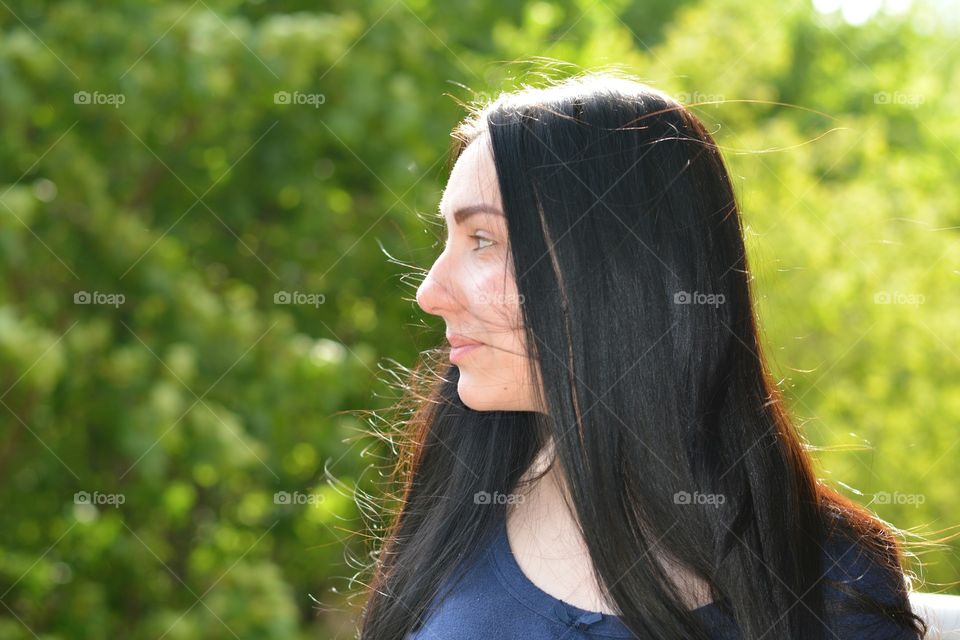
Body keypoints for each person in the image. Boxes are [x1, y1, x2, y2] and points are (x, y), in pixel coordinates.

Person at [357, 71, 927, 640]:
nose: (429, 293)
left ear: (617, 269)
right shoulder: (459, 499)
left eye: (483, 240)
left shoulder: (830, 580)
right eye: (447, 241)